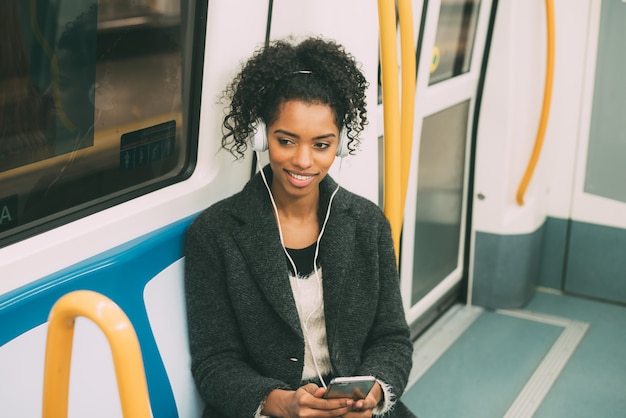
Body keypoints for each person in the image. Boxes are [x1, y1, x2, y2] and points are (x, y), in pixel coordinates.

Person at [185, 36, 415, 418]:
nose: (303, 160)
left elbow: (392, 339)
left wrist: (374, 392)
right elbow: (215, 362)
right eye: (286, 141)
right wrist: (277, 402)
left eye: (321, 145)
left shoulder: (368, 223)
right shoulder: (215, 233)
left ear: (339, 145)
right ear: (262, 135)